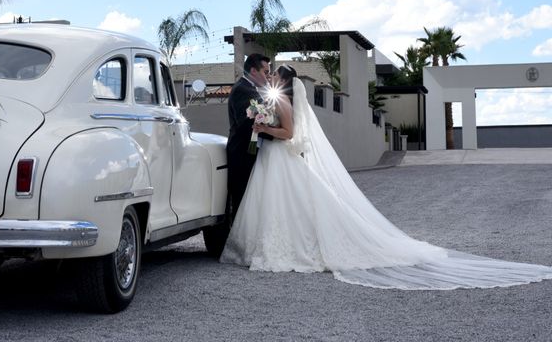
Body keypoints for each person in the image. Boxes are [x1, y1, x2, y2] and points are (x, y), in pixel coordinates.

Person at [220, 65, 552, 290]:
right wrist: (263, 125)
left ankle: (290, 247)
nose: (271, 77)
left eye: (275, 74)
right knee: (278, 206)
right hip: (274, 160)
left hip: (281, 157)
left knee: (290, 205)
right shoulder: (279, 100)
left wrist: (265, 128)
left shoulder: (287, 103)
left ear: (284, 82)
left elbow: (289, 133)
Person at [226, 53, 271, 222]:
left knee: (250, 201)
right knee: (242, 201)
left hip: (249, 153)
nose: (267, 76)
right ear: (253, 70)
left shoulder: (250, 89)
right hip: (242, 155)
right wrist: (274, 131)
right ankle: (238, 242)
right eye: (265, 72)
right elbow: (246, 125)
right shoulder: (242, 89)